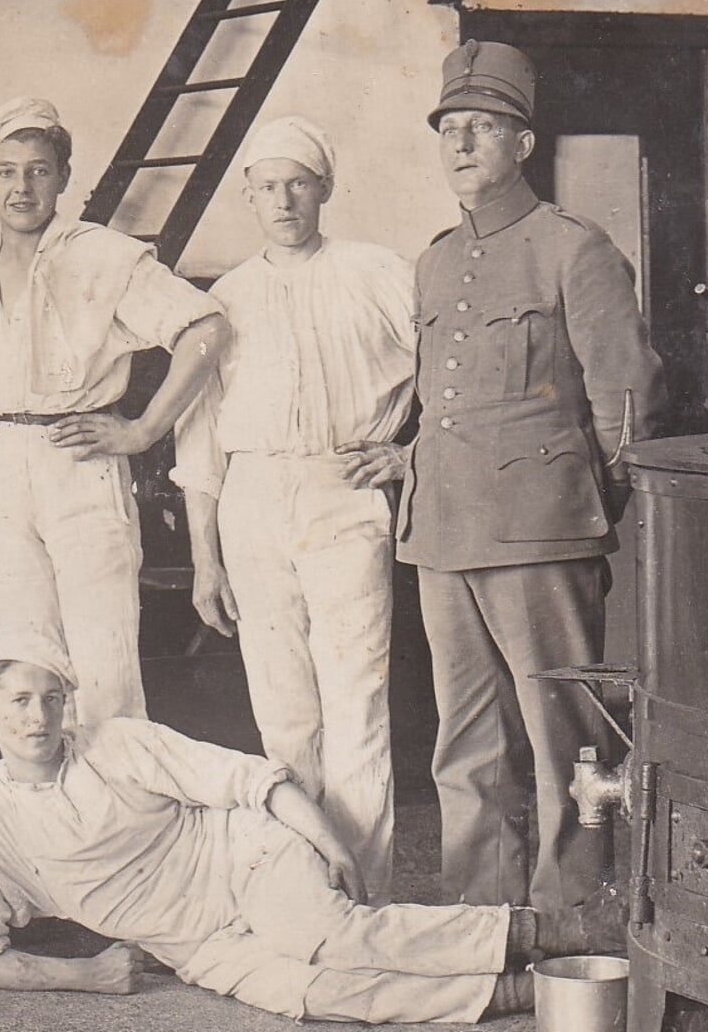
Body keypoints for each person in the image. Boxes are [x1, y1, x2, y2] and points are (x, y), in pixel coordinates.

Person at [0, 629, 585, 1024]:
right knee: (319, 994)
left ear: (67, 704)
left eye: (51, 700)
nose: (38, 720)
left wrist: (329, 839)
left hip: (244, 859)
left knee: (326, 935)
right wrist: (85, 977)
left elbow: (254, 780)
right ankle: (518, 996)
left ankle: (555, 932)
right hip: (197, 946)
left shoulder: (116, 742)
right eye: (19, 703)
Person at [397, 41, 668, 925]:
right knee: (464, 742)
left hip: (543, 531)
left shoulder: (570, 249)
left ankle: (574, 916)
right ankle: (482, 917)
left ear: (523, 143)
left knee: (568, 738)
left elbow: (626, 397)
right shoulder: (435, 260)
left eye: (483, 127)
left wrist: (588, 506)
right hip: (441, 529)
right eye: (450, 129)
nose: (462, 142)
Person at [172, 115, 416, 906]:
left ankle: (366, 894)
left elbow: (454, 374)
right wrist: (206, 558)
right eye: (268, 186)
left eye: (298, 184)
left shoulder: (377, 272)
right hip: (251, 499)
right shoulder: (225, 299)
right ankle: (308, 885)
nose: (284, 200)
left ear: (325, 190)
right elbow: (201, 439)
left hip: (342, 489)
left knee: (357, 699)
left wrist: (411, 455)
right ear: (248, 197)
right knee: (282, 708)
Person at [0, 97, 230, 725]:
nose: (22, 186)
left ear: (64, 177)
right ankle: (46, 813)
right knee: (23, 656)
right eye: (7, 170)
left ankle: (119, 815)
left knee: (103, 664)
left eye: (39, 170)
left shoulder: (105, 255)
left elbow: (207, 327)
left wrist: (144, 430)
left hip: (81, 460)